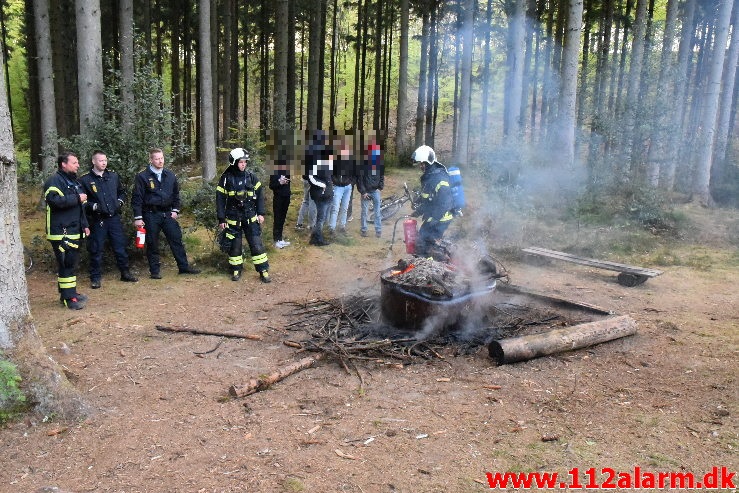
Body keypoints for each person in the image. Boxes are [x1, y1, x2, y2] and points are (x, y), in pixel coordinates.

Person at [131, 148, 200, 279]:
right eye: (157, 158)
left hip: (168, 214)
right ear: (151, 160)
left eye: (162, 158)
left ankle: (183, 267)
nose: (160, 161)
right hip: (151, 214)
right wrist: (138, 217)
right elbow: (137, 198)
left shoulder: (170, 175)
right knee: (152, 243)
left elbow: (176, 195)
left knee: (176, 240)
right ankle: (155, 271)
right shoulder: (142, 177)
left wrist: (175, 210)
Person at [79, 150, 138, 289]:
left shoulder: (113, 176)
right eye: (100, 160)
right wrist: (93, 206)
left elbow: (122, 192)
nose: (104, 163)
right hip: (98, 220)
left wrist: (120, 202)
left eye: (105, 160)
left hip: (114, 219)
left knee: (120, 247)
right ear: (94, 161)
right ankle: (95, 278)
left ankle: (125, 273)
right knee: (96, 249)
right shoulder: (85, 180)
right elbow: (81, 201)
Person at [43, 152, 90, 310]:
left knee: (71, 264)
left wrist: (85, 226)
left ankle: (70, 292)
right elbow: (54, 201)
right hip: (61, 232)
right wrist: (77, 198)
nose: (78, 165)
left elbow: (80, 208)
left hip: (75, 230)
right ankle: (67, 298)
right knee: (65, 264)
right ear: (64, 164)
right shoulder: (54, 181)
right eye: (74, 162)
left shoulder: (74, 182)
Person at [216, 148, 271, 282]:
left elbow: (259, 196)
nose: (243, 164)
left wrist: (261, 213)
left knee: (257, 245)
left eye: (245, 162)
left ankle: (263, 271)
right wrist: (221, 218)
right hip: (233, 219)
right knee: (235, 246)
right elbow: (220, 199)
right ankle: (236, 270)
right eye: (241, 162)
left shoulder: (251, 177)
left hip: (251, 217)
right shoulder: (225, 179)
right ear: (234, 162)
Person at [410, 145, 454, 257]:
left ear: (429, 162)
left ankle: (432, 266)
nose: (420, 166)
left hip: (441, 218)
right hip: (433, 216)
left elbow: (445, 203)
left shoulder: (439, 178)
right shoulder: (429, 177)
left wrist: (435, 219)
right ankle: (424, 262)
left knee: (426, 244)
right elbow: (428, 200)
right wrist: (419, 211)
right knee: (421, 241)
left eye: (422, 163)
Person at [306, 130, 334, 246]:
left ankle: (315, 237)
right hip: (319, 192)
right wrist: (323, 186)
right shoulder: (313, 156)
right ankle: (318, 239)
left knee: (322, 216)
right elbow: (310, 177)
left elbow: (329, 174)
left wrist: (330, 187)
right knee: (321, 217)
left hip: (327, 192)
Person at [357, 135, 384, 238]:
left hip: (375, 191)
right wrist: (363, 192)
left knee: (377, 212)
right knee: (364, 211)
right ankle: (364, 229)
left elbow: (381, 177)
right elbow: (360, 179)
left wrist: (379, 187)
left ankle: (378, 230)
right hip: (366, 192)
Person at [328, 134, 355, 234]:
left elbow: (355, 173)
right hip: (337, 186)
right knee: (335, 207)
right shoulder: (334, 159)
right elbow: (329, 172)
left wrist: (351, 183)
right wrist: (334, 182)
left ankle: (342, 227)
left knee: (345, 208)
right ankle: (331, 227)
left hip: (347, 187)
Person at [268, 154, 292, 249]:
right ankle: (276, 239)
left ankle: (280, 238)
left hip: (287, 195)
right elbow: (271, 185)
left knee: (282, 218)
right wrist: (279, 182)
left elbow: (288, 181)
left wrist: (286, 181)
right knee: (277, 218)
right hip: (278, 197)